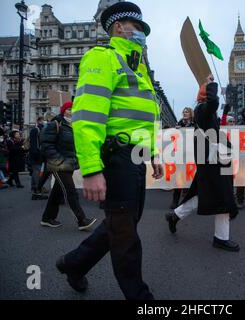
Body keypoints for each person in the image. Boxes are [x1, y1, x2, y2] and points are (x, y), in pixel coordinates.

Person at [55, 2, 163, 300]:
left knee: (123, 222)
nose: (142, 34)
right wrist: (91, 168)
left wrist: (152, 153)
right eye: (138, 28)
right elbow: (88, 115)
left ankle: (73, 263)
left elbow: (142, 117)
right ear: (120, 27)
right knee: (125, 232)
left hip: (135, 157)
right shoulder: (103, 57)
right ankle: (140, 298)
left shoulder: (138, 68)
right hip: (116, 158)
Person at [165, 75, 240, 252]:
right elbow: (213, 102)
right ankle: (221, 238)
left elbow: (215, 127)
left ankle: (175, 215)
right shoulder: (202, 109)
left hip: (214, 159)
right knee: (222, 195)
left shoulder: (205, 111)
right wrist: (210, 84)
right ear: (205, 96)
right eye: (209, 94)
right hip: (213, 160)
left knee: (205, 193)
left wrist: (224, 112)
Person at [40, 101, 96, 231]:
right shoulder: (55, 124)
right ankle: (81, 220)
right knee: (70, 191)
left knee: (57, 191)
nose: (71, 111)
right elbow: (46, 145)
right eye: (69, 109)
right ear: (63, 111)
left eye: (73, 109)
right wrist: (59, 160)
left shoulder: (74, 126)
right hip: (59, 164)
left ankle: (47, 218)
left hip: (69, 164)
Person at [170, 107, 195, 209]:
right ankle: (175, 201)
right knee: (179, 177)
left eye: (187, 112)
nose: (185, 113)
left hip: (191, 154)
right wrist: (176, 130)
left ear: (191, 114)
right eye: (184, 112)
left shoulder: (195, 124)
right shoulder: (179, 124)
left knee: (190, 178)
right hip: (181, 155)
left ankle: (187, 201)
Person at [29, 116, 48, 200]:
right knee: (37, 171)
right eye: (43, 120)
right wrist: (36, 153)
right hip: (36, 154)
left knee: (35, 171)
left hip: (38, 153)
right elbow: (33, 144)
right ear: (39, 121)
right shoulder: (35, 130)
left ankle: (34, 186)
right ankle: (37, 187)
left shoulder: (41, 130)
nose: (45, 122)